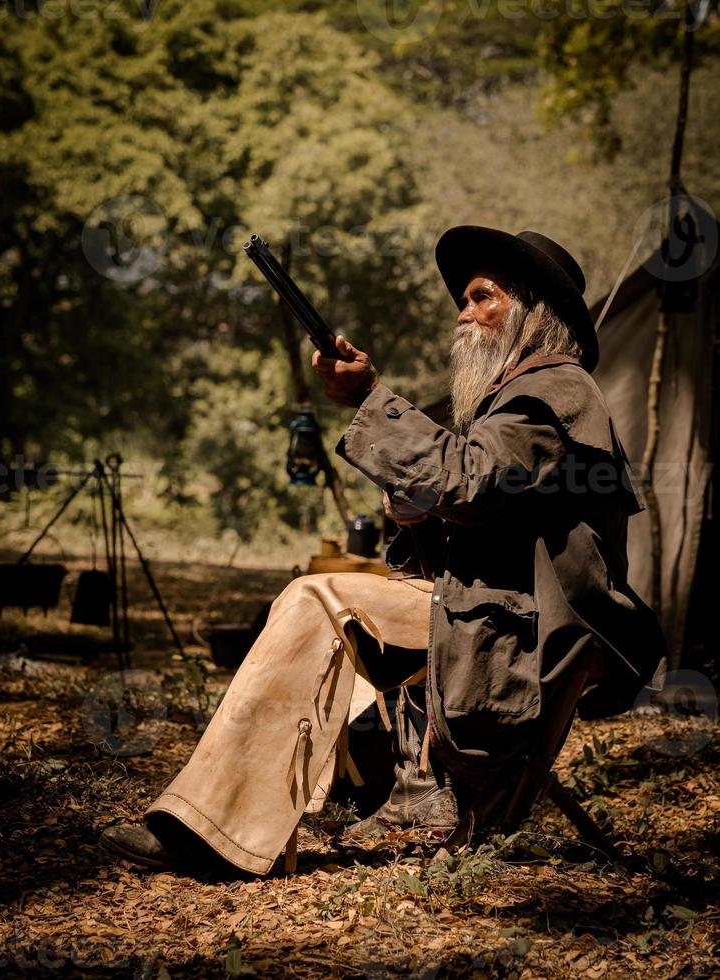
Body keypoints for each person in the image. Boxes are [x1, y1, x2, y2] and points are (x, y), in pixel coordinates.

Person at [101, 226, 666, 873]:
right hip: (491, 608)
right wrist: (417, 512)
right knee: (326, 595)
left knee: (318, 598)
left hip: (529, 629)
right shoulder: (524, 397)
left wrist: (371, 400)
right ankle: (292, 805)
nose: (463, 312)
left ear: (533, 309)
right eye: (463, 298)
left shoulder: (554, 390)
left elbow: (468, 483)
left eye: (481, 296)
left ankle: (211, 831)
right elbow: (476, 516)